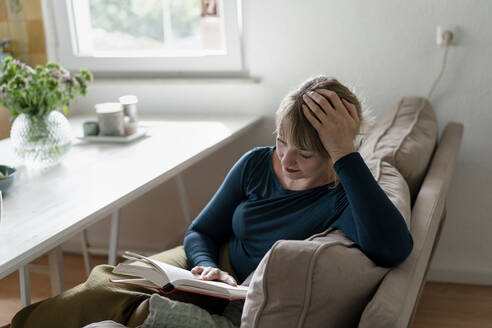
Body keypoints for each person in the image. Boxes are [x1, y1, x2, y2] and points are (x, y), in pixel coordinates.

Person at [11, 76, 413, 327]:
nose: (286, 160)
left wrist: (347, 156)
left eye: (305, 154)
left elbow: (393, 248)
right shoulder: (257, 163)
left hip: (239, 293)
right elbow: (202, 230)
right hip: (206, 267)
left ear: (335, 151)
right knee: (106, 283)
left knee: (127, 309)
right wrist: (204, 267)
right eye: (281, 141)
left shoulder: (345, 195)